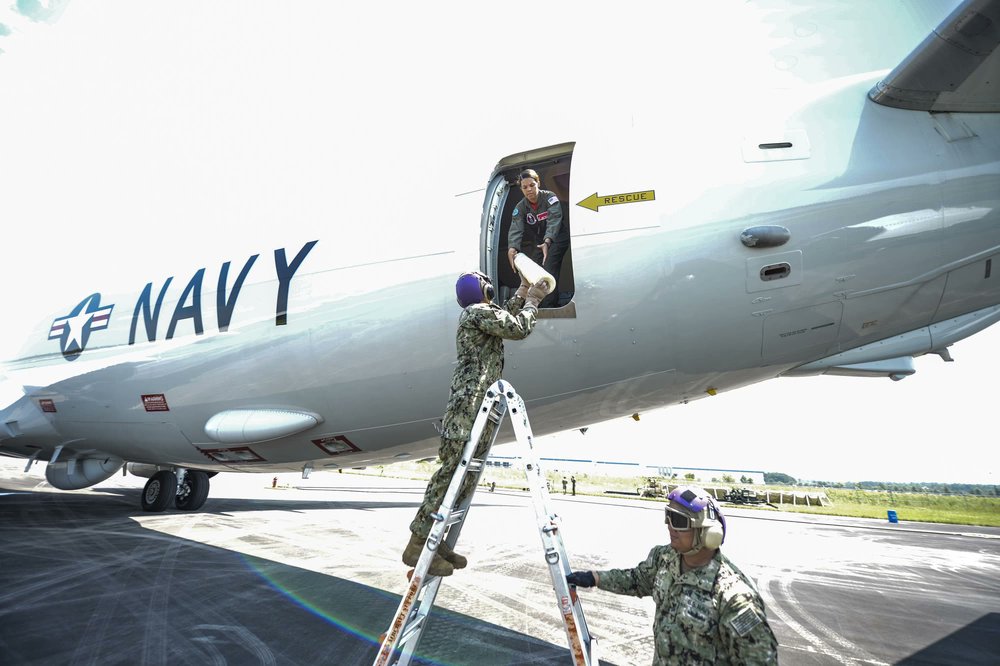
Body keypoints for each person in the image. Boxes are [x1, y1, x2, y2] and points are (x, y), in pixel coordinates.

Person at [403, 270, 548, 576]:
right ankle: (417, 544)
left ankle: (435, 541)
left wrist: (522, 292)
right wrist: (533, 302)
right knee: (450, 472)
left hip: (477, 404)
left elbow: (502, 317)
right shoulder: (476, 312)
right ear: (483, 290)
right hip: (466, 407)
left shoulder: (480, 315)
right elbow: (517, 327)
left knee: (464, 476)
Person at [566, 485, 778, 664]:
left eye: (678, 520)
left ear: (707, 533)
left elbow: (759, 660)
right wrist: (594, 577)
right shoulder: (665, 557)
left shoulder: (735, 598)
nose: (669, 526)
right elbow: (637, 580)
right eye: (668, 516)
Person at [506, 169, 570, 308]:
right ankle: (535, 303)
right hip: (540, 242)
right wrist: (513, 247)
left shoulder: (550, 198)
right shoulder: (521, 207)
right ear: (521, 189)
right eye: (525, 187)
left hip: (557, 237)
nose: (529, 189)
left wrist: (548, 240)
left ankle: (549, 305)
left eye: (532, 185)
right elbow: (516, 227)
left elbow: (554, 219)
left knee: (548, 267)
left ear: (538, 183)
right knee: (532, 269)